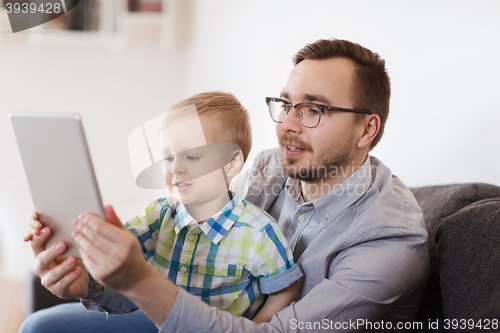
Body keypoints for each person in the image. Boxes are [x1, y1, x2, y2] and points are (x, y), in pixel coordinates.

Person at [22, 39, 429, 333]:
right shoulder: (274, 167)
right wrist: (89, 282)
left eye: (313, 110)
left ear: (367, 129)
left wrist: (138, 280)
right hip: (212, 315)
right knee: (41, 325)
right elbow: (202, 273)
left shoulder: (389, 242)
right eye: (286, 104)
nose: (287, 124)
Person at [21, 92, 302, 331]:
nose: (175, 168)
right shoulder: (160, 215)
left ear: (231, 164)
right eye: (168, 157)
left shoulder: (258, 231)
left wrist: (257, 326)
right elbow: (121, 254)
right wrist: (75, 251)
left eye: (191, 156)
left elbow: (285, 289)